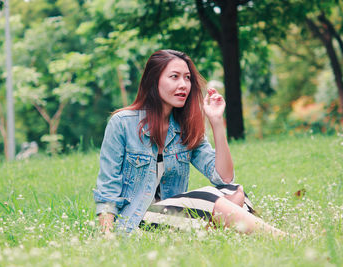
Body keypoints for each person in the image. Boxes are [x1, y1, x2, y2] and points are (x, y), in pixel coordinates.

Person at [93, 49, 285, 237]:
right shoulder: (122, 123)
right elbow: (107, 188)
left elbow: (224, 178)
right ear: (154, 81)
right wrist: (108, 235)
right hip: (136, 219)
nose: (183, 84)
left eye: (187, 78)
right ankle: (280, 237)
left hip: (173, 214)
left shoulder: (187, 126)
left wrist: (216, 122)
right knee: (211, 197)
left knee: (233, 191)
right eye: (174, 77)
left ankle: (203, 230)